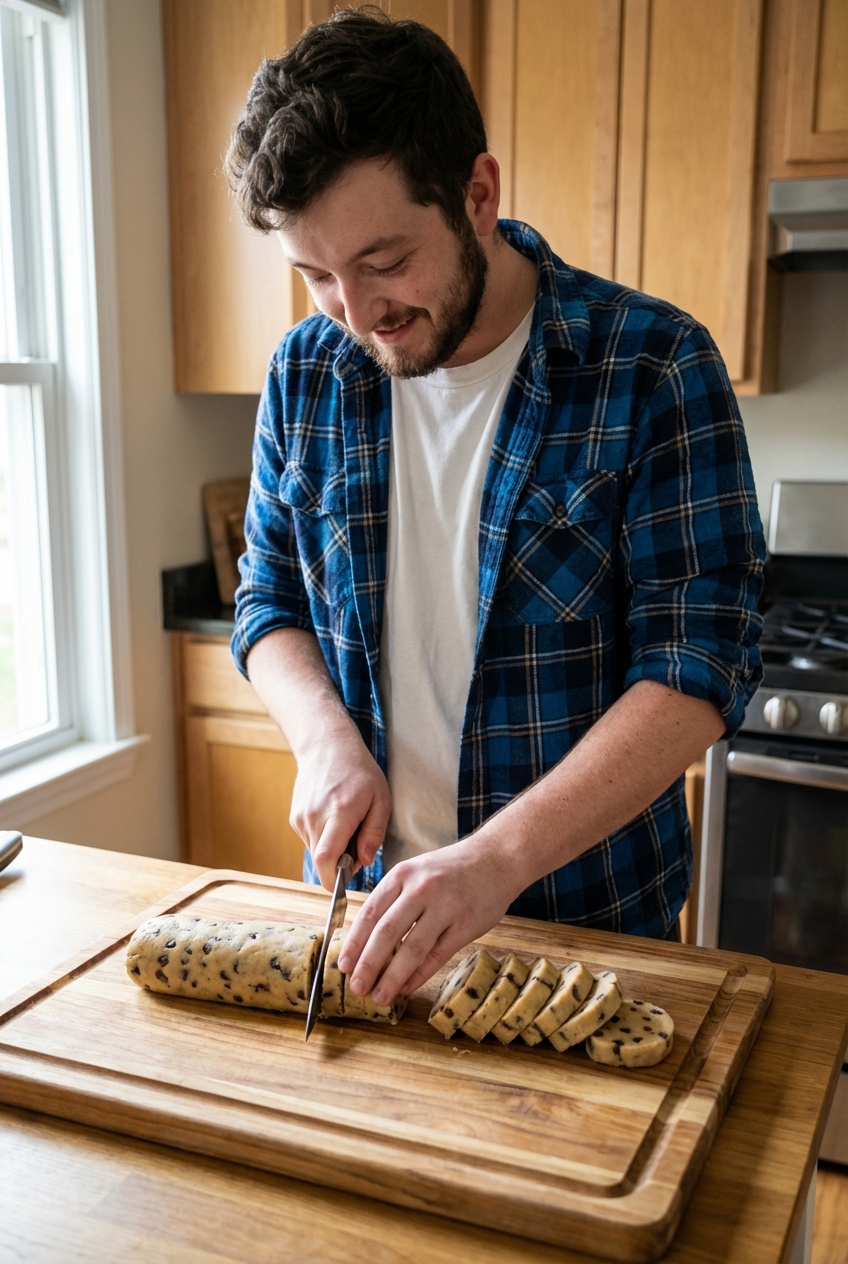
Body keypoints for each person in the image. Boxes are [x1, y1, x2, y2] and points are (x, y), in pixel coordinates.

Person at [226, 8, 765, 1009]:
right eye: (315, 275)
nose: (355, 312)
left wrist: (492, 862)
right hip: (367, 923)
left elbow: (696, 664)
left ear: (477, 193)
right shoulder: (305, 374)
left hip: (587, 933)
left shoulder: (650, 364)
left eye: (384, 262)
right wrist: (324, 741)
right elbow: (266, 601)